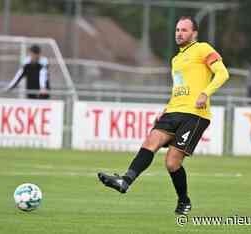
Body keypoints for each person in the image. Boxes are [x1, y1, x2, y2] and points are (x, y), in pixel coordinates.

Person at [97, 16, 229, 215]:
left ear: (194, 33)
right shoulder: (176, 60)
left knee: (172, 162)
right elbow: (179, 88)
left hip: (195, 114)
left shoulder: (203, 49)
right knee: (150, 141)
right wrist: (166, 109)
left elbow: (222, 73)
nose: (179, 33)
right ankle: (125, 181)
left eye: (184, 30)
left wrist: (205, 93)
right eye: (177, 30)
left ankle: (184, 201)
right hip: (174, 111)